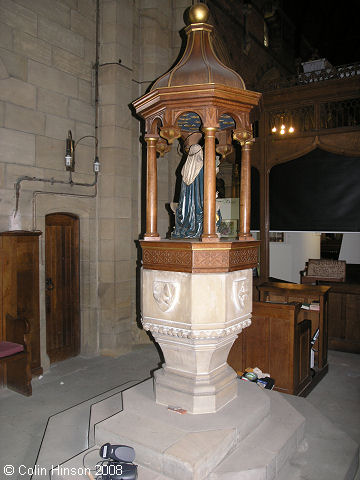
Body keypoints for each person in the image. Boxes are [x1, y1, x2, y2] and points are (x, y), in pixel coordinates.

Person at [172, 143, 204, 238]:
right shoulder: (200, 164)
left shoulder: (186, 166)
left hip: (186, 201)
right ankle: (196, 229)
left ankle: (185, 228)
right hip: (198, 199)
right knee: (198, 210)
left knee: (186, 211)